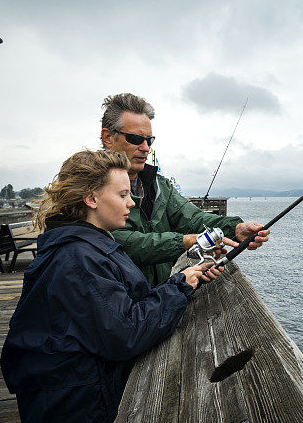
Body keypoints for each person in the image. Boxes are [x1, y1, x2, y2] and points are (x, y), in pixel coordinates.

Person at [0, 150, 222, 423]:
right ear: (90, 199)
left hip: (79, 397)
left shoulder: (84, 245)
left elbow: (117, 310)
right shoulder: (79, 259)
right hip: (81, 409)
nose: (131, 203)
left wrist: (181, 281)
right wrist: (178, 288)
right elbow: (125, 333)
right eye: (121, 195)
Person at [100, 93, 269, 286]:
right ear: (108, 137)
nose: (146, 147)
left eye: (150, 140)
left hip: (155, 302)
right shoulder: (91, 185)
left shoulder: (159, 185)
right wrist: (186, 242)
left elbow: (193, 218)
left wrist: (235, 228)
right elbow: (123, 242)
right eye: (136, 138)